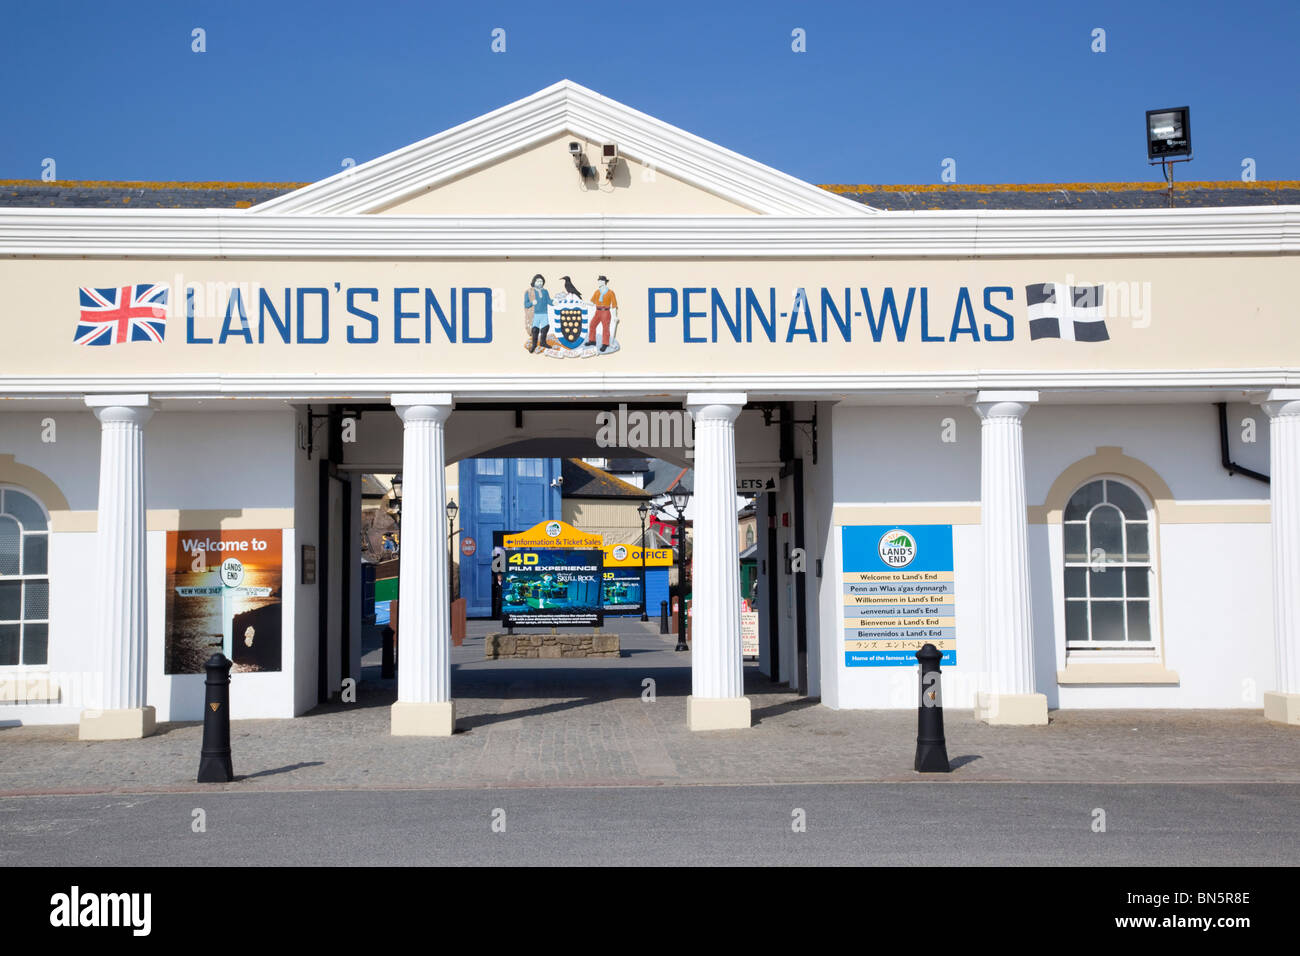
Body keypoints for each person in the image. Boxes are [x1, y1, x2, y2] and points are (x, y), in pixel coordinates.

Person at [587, 275, 617, 352]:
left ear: (604, 282)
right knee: (592, 324)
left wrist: (615, 316)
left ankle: (605, 343)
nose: (599, 282)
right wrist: (585, 303)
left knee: (605, 328)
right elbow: (592, 302)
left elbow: (614, 305)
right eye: (598, 281)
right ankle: (592, 341)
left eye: (600, 281)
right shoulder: (597, 292)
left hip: (606, 312)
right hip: (597, 311)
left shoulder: (610, 292)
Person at [524, 274, 553, 353]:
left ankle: (543, 342)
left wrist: (555, 302)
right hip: (535, 314)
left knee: (545, 328)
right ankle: (534, 345)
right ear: (534, 282)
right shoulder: (529, 292)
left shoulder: (545, 291)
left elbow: (549, 301)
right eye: (538, 281)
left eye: (541, 281)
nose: (540, 283)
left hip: (544, 314)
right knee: (534, 330)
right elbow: (526, 304)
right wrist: (532, 303)